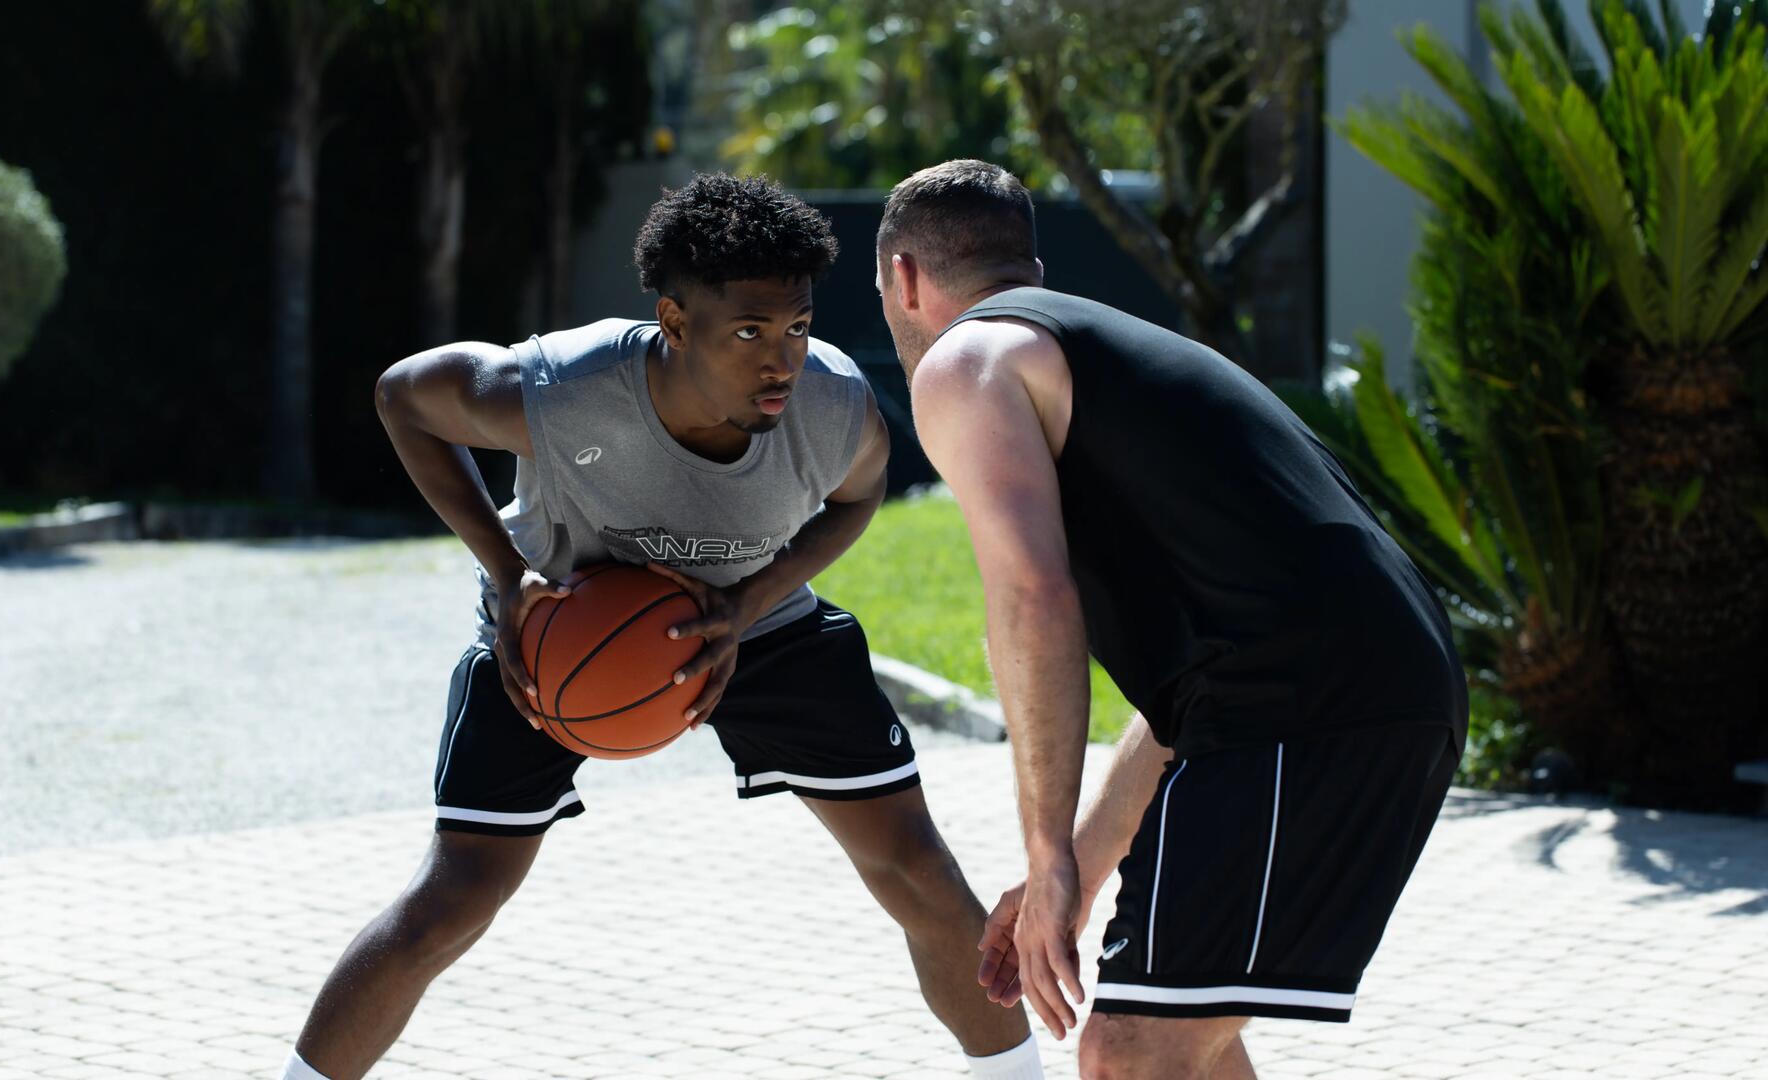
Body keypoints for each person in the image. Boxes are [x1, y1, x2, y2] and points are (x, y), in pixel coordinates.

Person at [278, 174, 1042, 1080]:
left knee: (916, 866)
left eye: (796, 327)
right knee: (455, 896)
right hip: (563, 623)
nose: (781, 360)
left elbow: (860, 496)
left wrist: (751, 601)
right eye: (749, 332)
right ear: (674, 324)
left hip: (754, 620)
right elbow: (404, 395)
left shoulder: (833, 407)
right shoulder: (565, 390)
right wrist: (506, 570)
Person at [875, 159, 1467, 1079]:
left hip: (1304, 704)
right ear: (1027, 263)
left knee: (1131, 1049)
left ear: (903, 279)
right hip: (1345, 686)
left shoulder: (967, 360)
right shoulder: (1103, 355)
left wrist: (1047, 856)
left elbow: (1032, 601)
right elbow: (1187, 681)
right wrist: (1068, 869)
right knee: (1184, 1036)